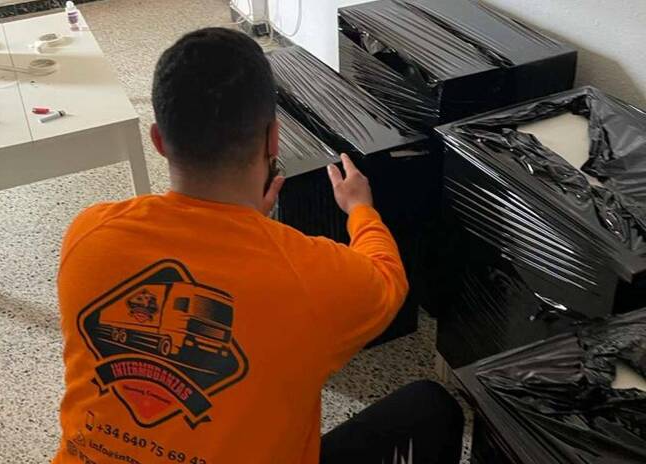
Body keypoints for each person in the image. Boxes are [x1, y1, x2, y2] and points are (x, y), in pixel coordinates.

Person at [53, 28, 463, 464]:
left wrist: (248, 227)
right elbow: (388, 279)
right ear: (273, 139)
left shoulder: (89, 232)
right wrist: (360, 209)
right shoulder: (313, 277)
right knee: (432, 408)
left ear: (158, 141)